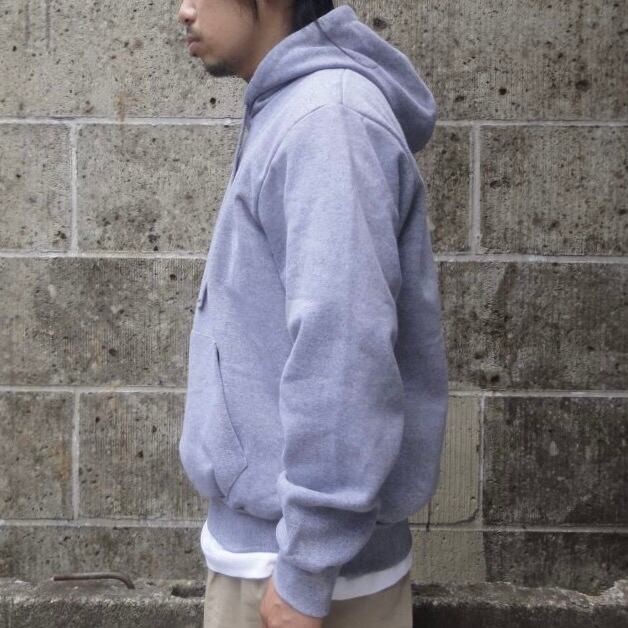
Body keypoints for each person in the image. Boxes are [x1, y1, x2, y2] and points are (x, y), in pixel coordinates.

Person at [176, 1, 449, 627]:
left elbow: (344, 350)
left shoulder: (328, 121)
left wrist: (305, 571)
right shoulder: (295, 108)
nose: (183, 10)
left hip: (303, 582)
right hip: (279, 562)